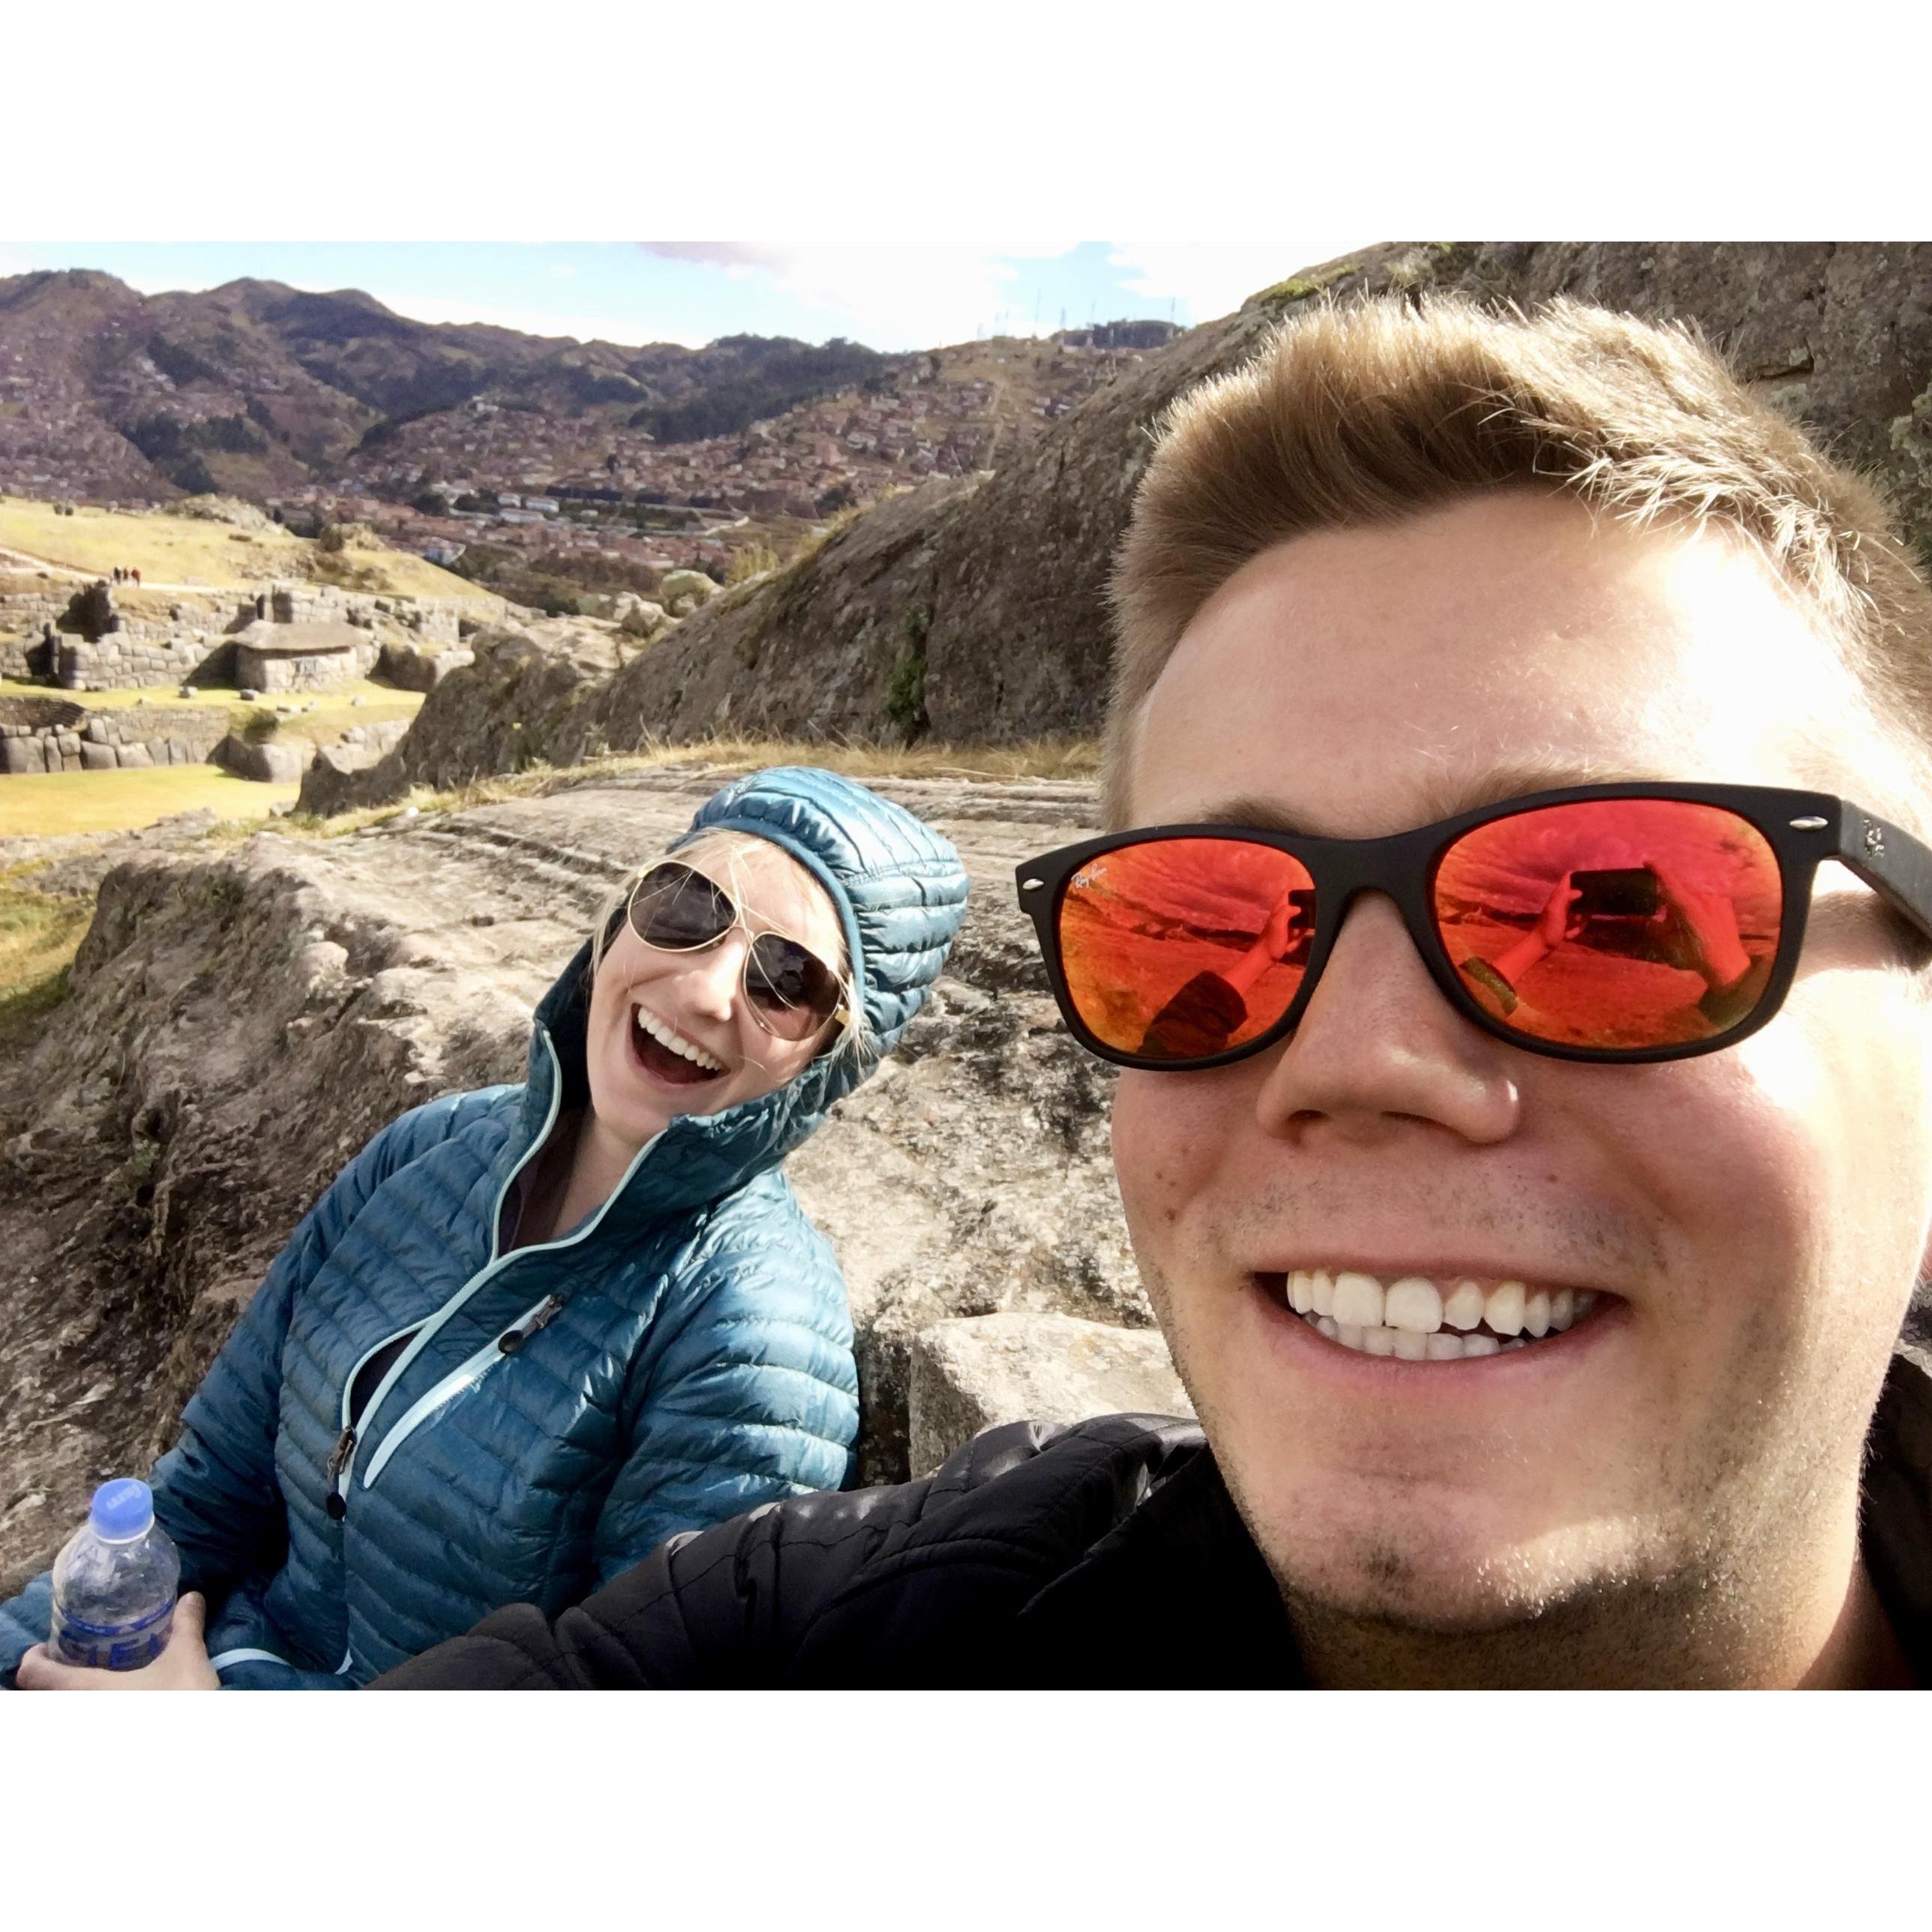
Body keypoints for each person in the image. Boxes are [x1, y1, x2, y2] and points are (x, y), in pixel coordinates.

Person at [64, 292, 1932, 1690]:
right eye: (1205, 929)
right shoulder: (864, 1628)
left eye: (1615, 910)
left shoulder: (749, 1334)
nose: (1357, 1062)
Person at [2, 765, 969, 1689]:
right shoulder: (426, 1149)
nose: (704, 990)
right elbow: (211, 1490)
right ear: (620, 917)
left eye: (786, 980)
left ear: (831, 1065)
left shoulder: (751, 1334)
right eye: (687, 906)